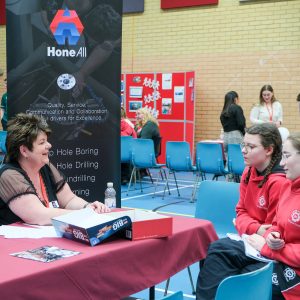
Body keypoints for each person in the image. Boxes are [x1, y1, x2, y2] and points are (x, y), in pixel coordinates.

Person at [196, 123, 287, 300]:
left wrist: (254, 229)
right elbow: (241, 213)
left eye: (251, 147)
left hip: (269, 249)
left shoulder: (280, 181)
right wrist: (255, 228)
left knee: (245, 272)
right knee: (214, 251)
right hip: (249, 240)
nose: (244, 151)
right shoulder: (248, 171)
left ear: (269, 150)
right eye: (243, 145)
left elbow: (276, 230)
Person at [0, 113, 110, 226]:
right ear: (24, 151)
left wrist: (88, 207)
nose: (49, 145)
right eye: (42, 142)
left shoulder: (45, 166)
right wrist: (83, 215)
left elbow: (69, 200)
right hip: (16, 242)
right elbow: (39, 216)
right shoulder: (9, 175)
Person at [246, 133, 300, 299]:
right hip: (281, 260)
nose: (282, 163)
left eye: (287, 156)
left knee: (247, 280)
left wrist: (266, 247)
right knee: (222, 258)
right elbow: (276, 225)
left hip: (293, 270)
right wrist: (272, 236)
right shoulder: (287, 187)